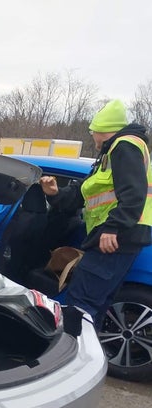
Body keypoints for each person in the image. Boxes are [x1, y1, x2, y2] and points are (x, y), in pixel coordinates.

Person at [39, 99, 152, 328]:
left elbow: (133, 193)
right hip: (121, 239)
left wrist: (113, 227)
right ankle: (88, 346)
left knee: (80, 304)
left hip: (113, 239)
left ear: (101, 131)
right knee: (96, 305)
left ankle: (73, 348)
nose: (93, 138)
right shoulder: (110, 155)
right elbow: (85, 191)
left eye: (93, 133)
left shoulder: (124, 146)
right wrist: (55, 194)